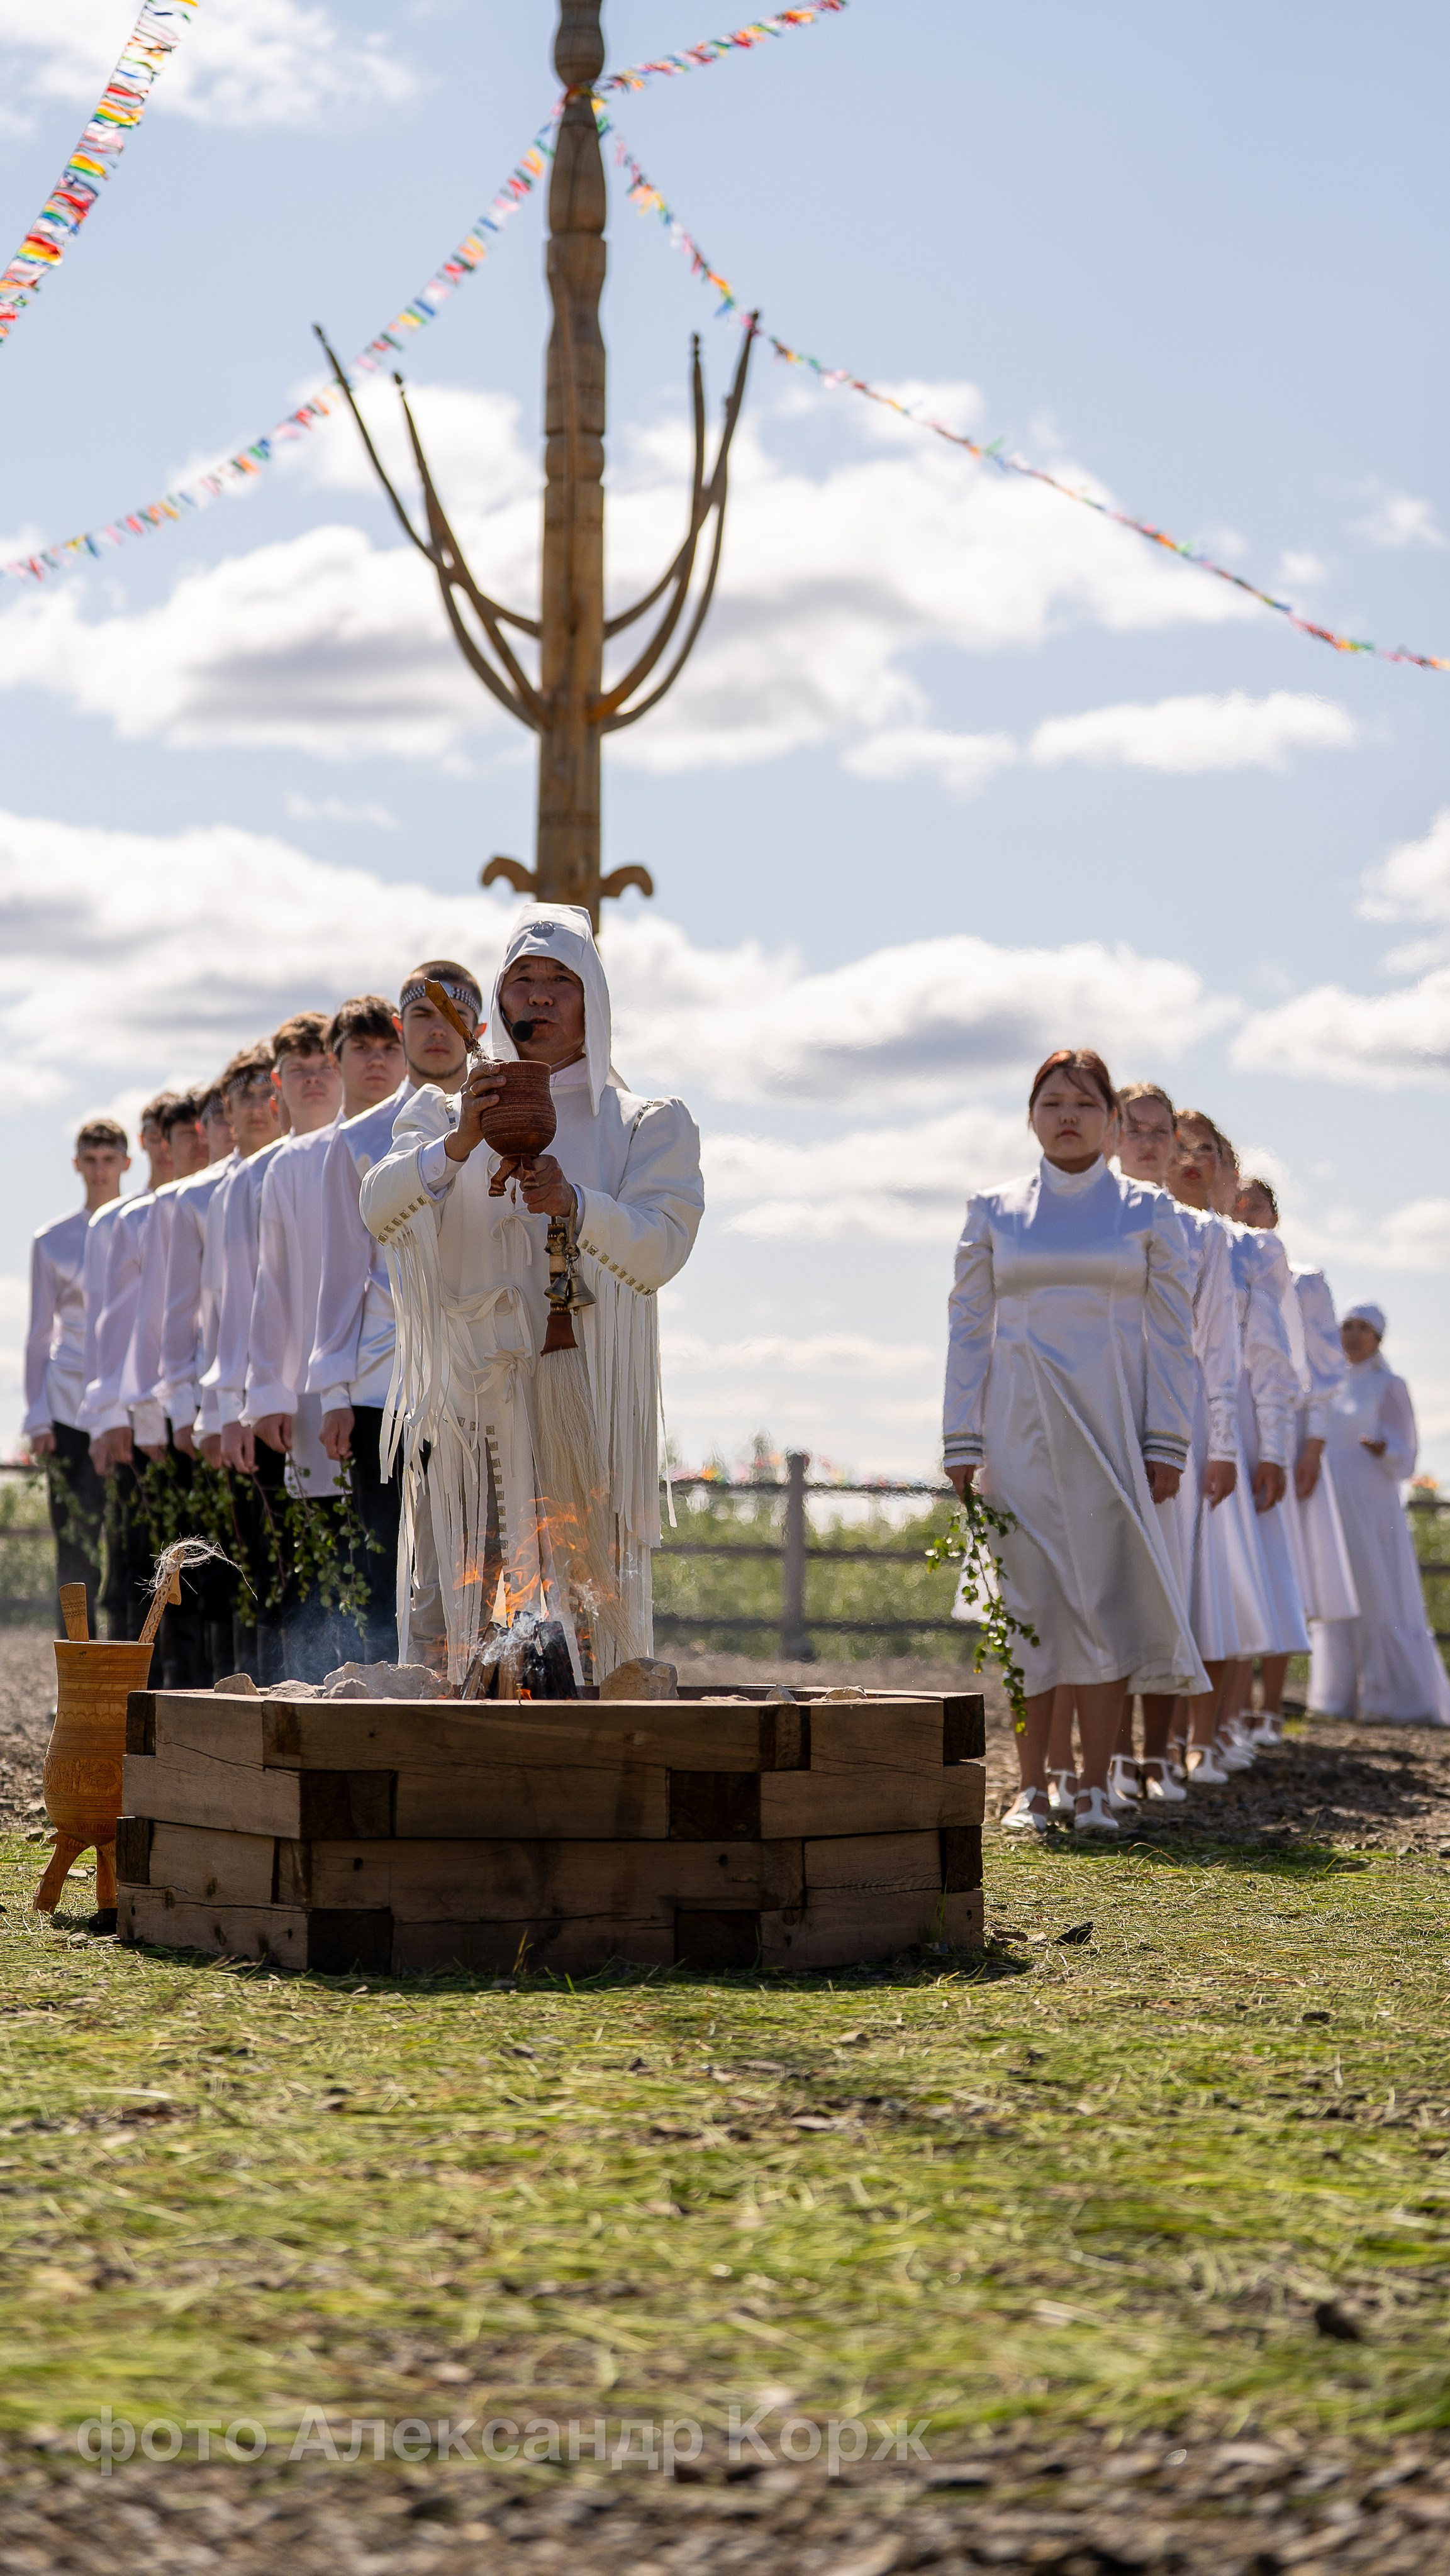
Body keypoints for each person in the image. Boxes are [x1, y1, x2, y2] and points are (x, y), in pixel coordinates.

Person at [361, 907, 704, 1685]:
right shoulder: (437, 1114)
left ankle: (586, 1776)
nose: (540, 996)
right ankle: (441, 1784)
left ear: (596, 1003)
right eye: (523, 978)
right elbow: (377, 1207)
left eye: (562, 981)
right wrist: (456, 1145)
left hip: (579, 1407)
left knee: (585, 1623)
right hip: (467, 1413)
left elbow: (661, 1247)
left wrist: (577, 1204)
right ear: (500, 997)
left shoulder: (644, 1124)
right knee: (455, 1622)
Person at [943, 1047, 1206, 1836]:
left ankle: (1093, 1784)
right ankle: (1030, 1786)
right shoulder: (992, 1210)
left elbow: (1172, 1337)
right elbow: (967, 1329)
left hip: (1113, 1427)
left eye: (1085, 1104)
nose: (1067, 1116)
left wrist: (1167, 1440)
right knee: (1030, 1603)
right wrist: (962, 1439)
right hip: (1017, 1433)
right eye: (1052, 1101)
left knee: (1102, 1600)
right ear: (1030, 1115)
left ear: (1112, 1121)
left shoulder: (1145, 1213)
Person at [310, 981, 467, 1667]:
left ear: (479, 1024)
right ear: (407, 1028)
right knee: (386, 1556)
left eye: (455, 1014)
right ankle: (381, 1691)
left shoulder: (510, 1111)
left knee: (468, 1553)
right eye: (425, 1015)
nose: (440, 1030)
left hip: (476, 1373)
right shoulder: (356, 1141)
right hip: (384, 1381)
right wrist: (335, 1388)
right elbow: (341, 1273)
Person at [243, 1008, 382, 1680]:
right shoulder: (291, 1164)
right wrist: (266, 1388)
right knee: (323, 1552)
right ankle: (322, 1688)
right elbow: (270, 1286)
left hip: (389, 1375)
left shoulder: (394, 1140)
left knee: (385, 1551)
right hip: (309, 1386)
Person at [1112, 1082, 1240, 1807]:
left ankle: (1154, 1758)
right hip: (1096, 1405)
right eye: (1142, 1130)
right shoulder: (1093, 1218)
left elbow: (1217, 1350)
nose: (1160, 1147)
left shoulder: (1208, 1237)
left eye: (1178, 1139)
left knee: (1166, 1584)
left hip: (1172, 1420)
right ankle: (1097, 1759)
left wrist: (1218, 1444)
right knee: (1100, 1585)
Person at [209, 1014, 337, 1681]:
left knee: (339, 1561)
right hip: (277, 1395)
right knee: (278, 1566)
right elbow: (237, 1299)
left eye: (325, 1065)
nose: (313, 1080)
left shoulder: (358, 1149)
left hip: (343, 1386)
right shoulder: (255, 1177)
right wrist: (234, 1403)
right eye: (299, 1070)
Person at [1234, 1176, 1358, 1736]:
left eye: (1256, 1205)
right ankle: (1230, 1707)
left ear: (1274, 1216)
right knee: (1236, 1562)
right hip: (1233, 1426)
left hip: (1287, 1435)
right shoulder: (1215, 1267)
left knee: (1282, 1564)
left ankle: (1269, 1706)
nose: (1246, 1214)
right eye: (1237, 1206)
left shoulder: (1304, 1282)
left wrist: (1312, 1445)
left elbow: (1326, 1373)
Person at [1309, 1304, 1450, 1725]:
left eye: (1362, 1328)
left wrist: (1383, 1448)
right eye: (1346, 1327)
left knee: (1377, 1591)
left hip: (1371, 1505)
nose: (1353, 1335)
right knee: (1338, 1592)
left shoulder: (1388, 1385)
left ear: (1378, 1337)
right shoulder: (1327, 1384)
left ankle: (1392, 1699)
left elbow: (1406, 1454)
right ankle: (1335, 1698)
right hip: (1331, 1501)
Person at [23, 1116, 130, 1635]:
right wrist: (37, 1414)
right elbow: (39, 1333)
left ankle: (138, 1675)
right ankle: (78, 1669)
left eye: (109, 1160)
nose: (99, 1170)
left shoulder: (146, 1225)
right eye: (90, 1160)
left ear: (126, 1164)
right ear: (76, 1165)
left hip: (132, 1403)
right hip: (68, 1405)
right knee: (76, 1543)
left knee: (133, 1540)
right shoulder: (53, 1241)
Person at [81, 1093, 179, 1641]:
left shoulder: (202, 1206)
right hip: (132, 1421)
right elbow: (104, 1327)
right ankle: (124, 1691)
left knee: (186, 1561)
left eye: (176, 1132)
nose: (166, 1145)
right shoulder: (115, 1222)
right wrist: (107, 1418)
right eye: (156, 1134)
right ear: (142, 1143)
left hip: (187, 1413)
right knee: (131, 1556)